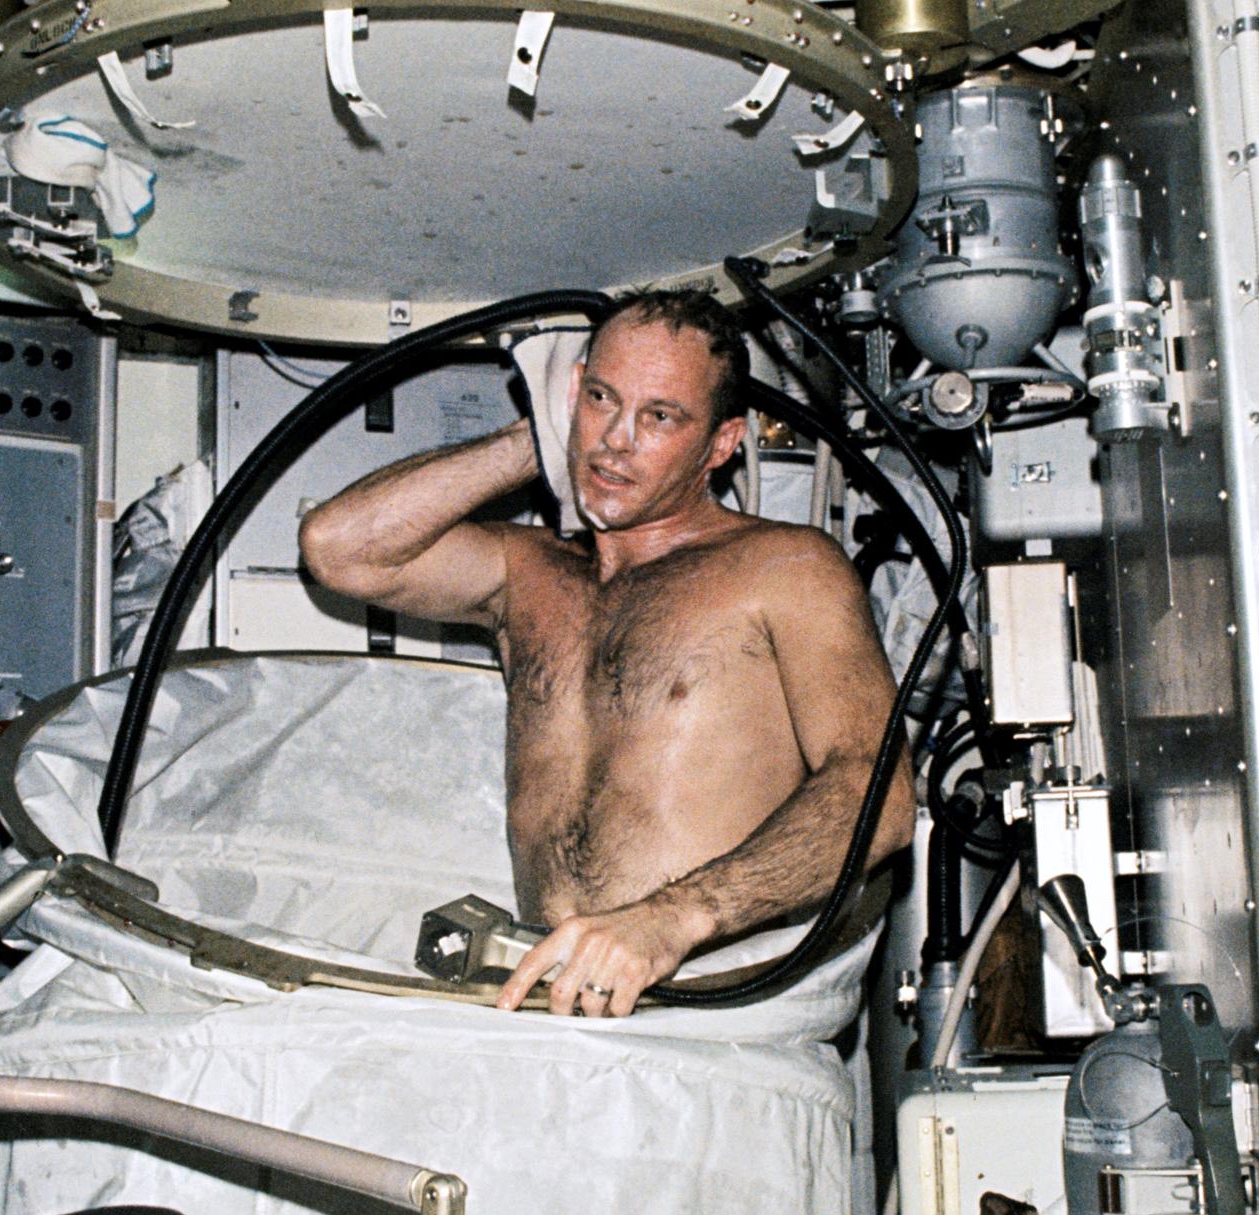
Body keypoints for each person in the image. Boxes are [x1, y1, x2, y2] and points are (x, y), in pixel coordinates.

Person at [298, 288, 912, 1018]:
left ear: (721, 444)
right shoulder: (529, 572)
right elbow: (340, 550)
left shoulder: (785, 568)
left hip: (709, 1016)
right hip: (546, 1010)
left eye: (659, 416)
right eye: (600, 398)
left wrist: (676, 917)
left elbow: (880, 796)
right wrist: (543, 434)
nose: (615, 440)